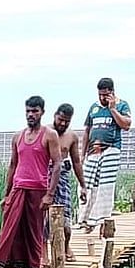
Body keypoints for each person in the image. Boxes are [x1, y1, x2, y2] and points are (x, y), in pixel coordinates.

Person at [0, 95, 65, 268]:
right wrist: (7, 194)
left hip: (38, 190)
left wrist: (50, 194)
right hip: (18, 189)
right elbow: (12, 165)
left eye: (35, 111)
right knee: (13, 231)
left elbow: (57, 164)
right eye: (28, 111)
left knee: (34, 232)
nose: (31, 115)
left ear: (42, 112)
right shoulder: (18, 136)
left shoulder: (49, 135)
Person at [81, 77, 131, 233]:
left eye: (105, 95)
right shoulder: (93, 108)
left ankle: (101, 219)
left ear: (112, 92)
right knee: (87, 185)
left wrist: (113, 109)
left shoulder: (122, 105)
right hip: (93, 151)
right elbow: (87, 131)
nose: (102, 98)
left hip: (111, 149)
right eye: (100, 95)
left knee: (105, 186)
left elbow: (126, 125)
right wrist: (83, 154)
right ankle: (85, 219)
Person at [51, 103, 88, 259]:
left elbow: (76, 162)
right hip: (45, 176)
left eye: (67, 121)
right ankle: (42, 253)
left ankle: (66, 247)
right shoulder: (44, 132)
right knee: (41, 218)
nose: (63, 124)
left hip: (63, 177)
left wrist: (83, 186)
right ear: (55, 116)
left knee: (65, 217)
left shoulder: (71, 136)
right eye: (61, 120)